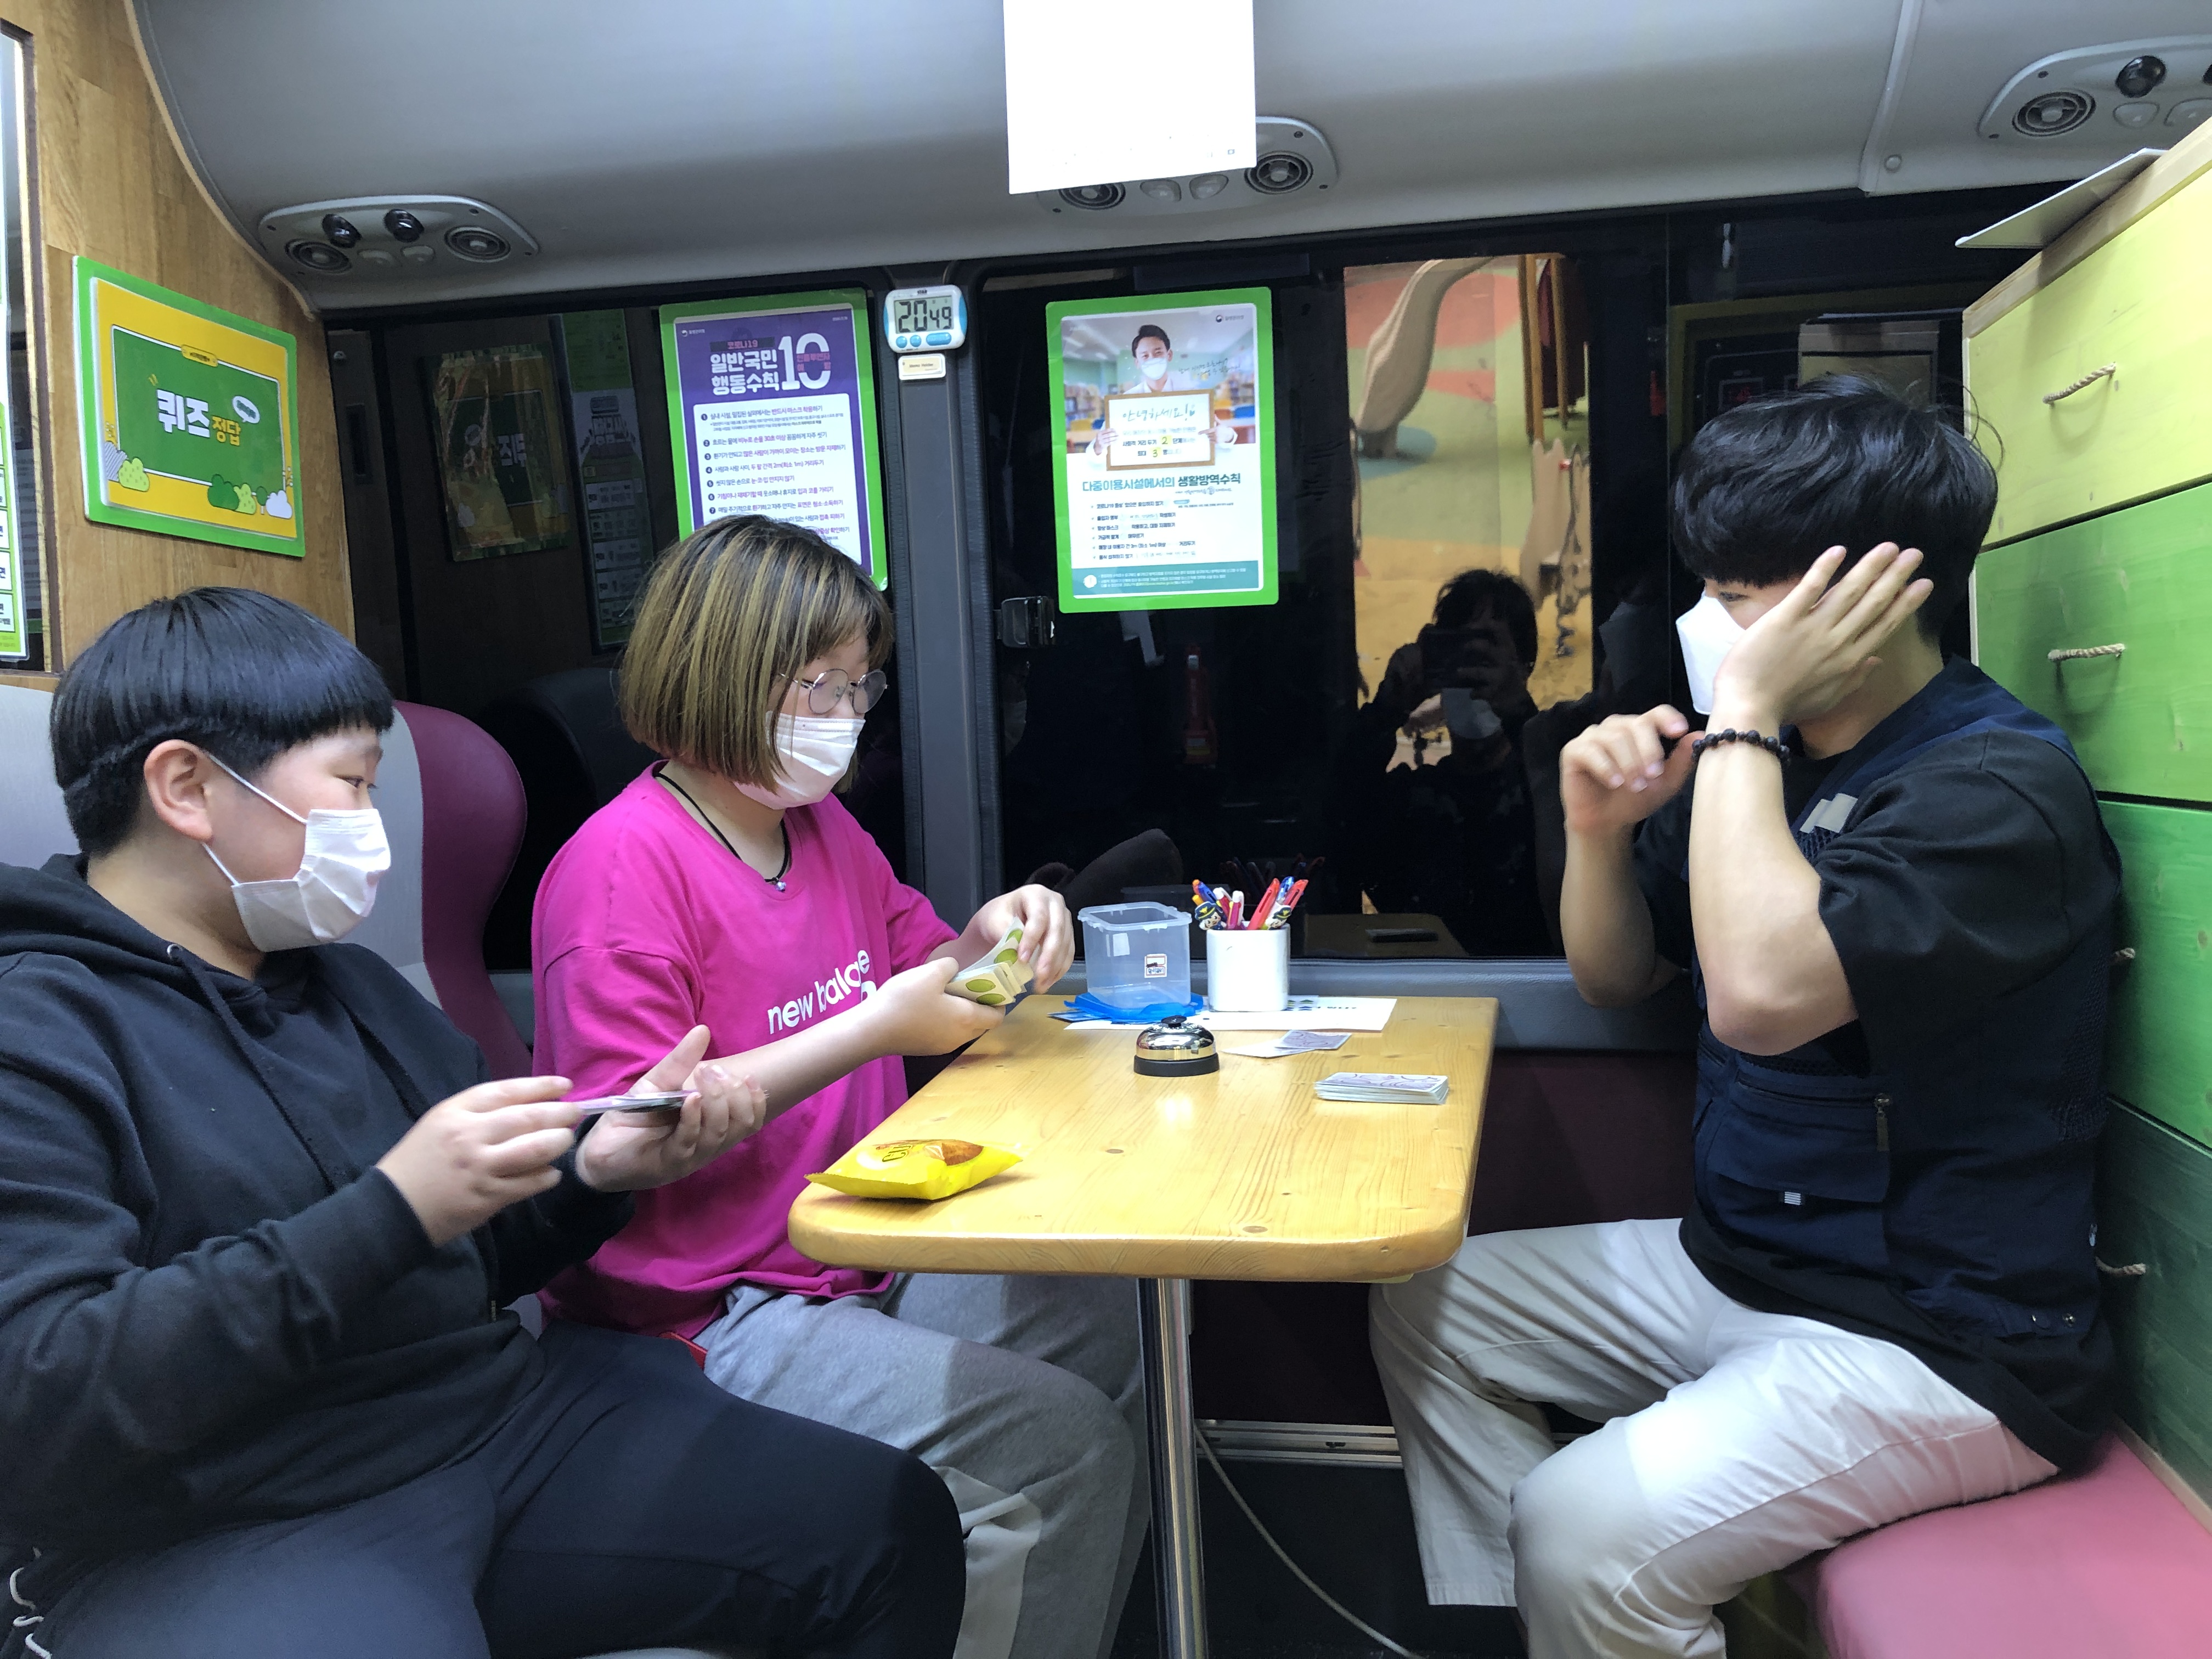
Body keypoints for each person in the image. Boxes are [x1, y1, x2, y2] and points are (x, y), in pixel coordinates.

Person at [0, 588, 965, 1659]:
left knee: (888, 1525)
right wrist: (393, 1210)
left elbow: (488, 1256)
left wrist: (595, 1172)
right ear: (187, 787)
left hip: (490, 1419)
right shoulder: (36, 1030)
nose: (372, 830)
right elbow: (43, 1394)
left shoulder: (353, 988)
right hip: (228, 1514)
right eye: (352, 784)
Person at [1372, 378, 2120, 1658]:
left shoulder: (1994, 787)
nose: (1708, 621)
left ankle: (1583, 1592)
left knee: (1581, 1527)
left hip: (1937, 1339)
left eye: (1740, 592)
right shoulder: (1774, 763)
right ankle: (1540, 1628)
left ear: (1873, 593)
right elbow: (1619, 976)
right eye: (1709, 586)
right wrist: (1597, 832)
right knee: (1433, 1303)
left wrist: (1745, 720)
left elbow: (1762, 1000)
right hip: (1742, 1266)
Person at [531, 516, 1149, 1659]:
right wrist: (870, 1028)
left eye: (858, 686)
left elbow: (932, 972)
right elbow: (624, 1141)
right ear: (722, 671)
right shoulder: (618, 874)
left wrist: (995, 937)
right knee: (1064, 1445)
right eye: (818, 684)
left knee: (1112, 1307)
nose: (846, 714)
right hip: (707, 1312)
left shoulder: (817, 829)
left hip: (857, 1245)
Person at [1334, 568, 1547, 955]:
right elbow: (1337, 813)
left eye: (1488, 647)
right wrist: (1388, 707)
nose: (1472, 665)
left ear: (1524, 663)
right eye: (1459, 648)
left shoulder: (1548, 788)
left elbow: (1557, 808)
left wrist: (1517, 710)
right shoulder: (1414, 801)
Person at [1086, 323, 1239, 455]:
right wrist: (1099, 445)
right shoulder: (1125, 402)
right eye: (1145, 356)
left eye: (1158, 353)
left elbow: (1223, 438)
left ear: (1169, 355)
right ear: (1137, 362)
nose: (1152, 359)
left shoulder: (1192, 396)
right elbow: (1095, 451)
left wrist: (1227, 436)